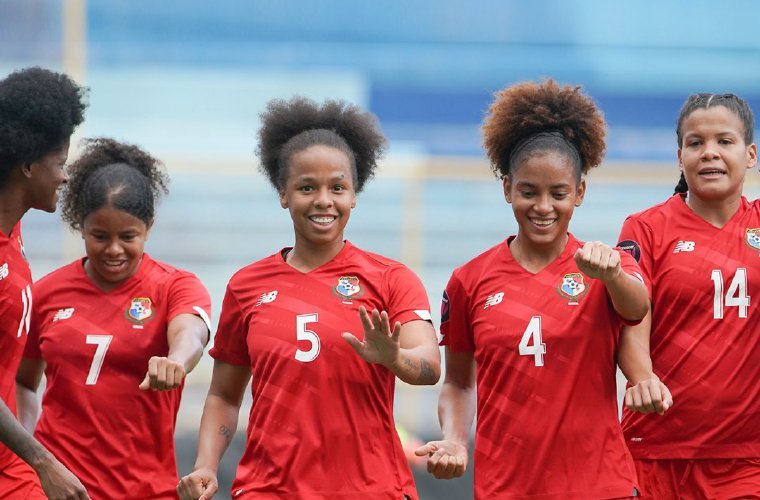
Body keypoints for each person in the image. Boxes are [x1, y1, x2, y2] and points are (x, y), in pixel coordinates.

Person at [177, 96, 440, 500]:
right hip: (269, 489)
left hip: (370, 489)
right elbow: (224, 394)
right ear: (283, 193)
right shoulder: (246, 286)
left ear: (354, 195)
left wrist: (394, 358)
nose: (323, 201)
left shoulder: (391, 279)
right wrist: (206, 465)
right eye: (306, 187)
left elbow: (429, 365)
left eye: (337, 187)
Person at [414, 80, 649, 498]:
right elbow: (459, 383)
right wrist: (454, 437)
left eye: (558, 193)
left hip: (600, 487)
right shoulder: (470, 280)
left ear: (579, 192)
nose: (543, 207)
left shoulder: (608, 266)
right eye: (528, 192)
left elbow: (637, 307)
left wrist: (612, 276)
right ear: (507, 188)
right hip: (505, 488)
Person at [15, 138, 212, 499]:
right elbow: (23, 383)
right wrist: (30, 461)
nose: (114, 249)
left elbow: (192, 332)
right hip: (58, 489)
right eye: (100, 236)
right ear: (81, 227)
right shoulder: (46, 293)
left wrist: (176, 361)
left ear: (148, 227)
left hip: (145, 489)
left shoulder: (174, 286)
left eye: (128, 236)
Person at [617, 93, 759, 498]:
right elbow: (633, 317)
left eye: (724, 142)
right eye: (695, 143)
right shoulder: (646, 228)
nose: (709, 152)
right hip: (652, 452)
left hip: (745, 460)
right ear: (680, 156)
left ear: (750, 154)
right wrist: (641, 378)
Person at [0, 67, 89, 499]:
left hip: (11, 463)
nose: (66, 176)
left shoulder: (13, 230)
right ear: (28, 165)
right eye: (61, 163)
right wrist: (43, 460)